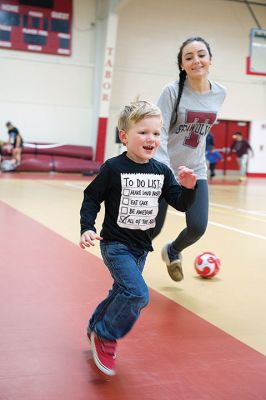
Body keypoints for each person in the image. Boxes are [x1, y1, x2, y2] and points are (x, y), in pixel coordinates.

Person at [79, 100, 197, 376]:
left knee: (121, 290)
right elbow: (91, 198)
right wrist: (87, 226)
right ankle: (106, 336)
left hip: (141, 248)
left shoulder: (161, 171)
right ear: (124, 136)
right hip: (115, 245)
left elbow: (180, 203)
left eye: (156, 134)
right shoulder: (113, 168)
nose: (151, 139)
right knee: (137, 293)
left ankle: (96, 325)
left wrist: (189, 189)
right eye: (143, 132)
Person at [153, 37, 226, 282]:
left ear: (210, 60)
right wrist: (162, 168)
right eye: (189, 57)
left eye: (201, 54)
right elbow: (159, 129)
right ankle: (127, 266)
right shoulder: (172, 91)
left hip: (194, 170)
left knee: (197, 227)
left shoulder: (220, 93)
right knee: (152, 229)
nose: (196, 60)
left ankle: (172, 252)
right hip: (164, 170)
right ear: (182, 65)